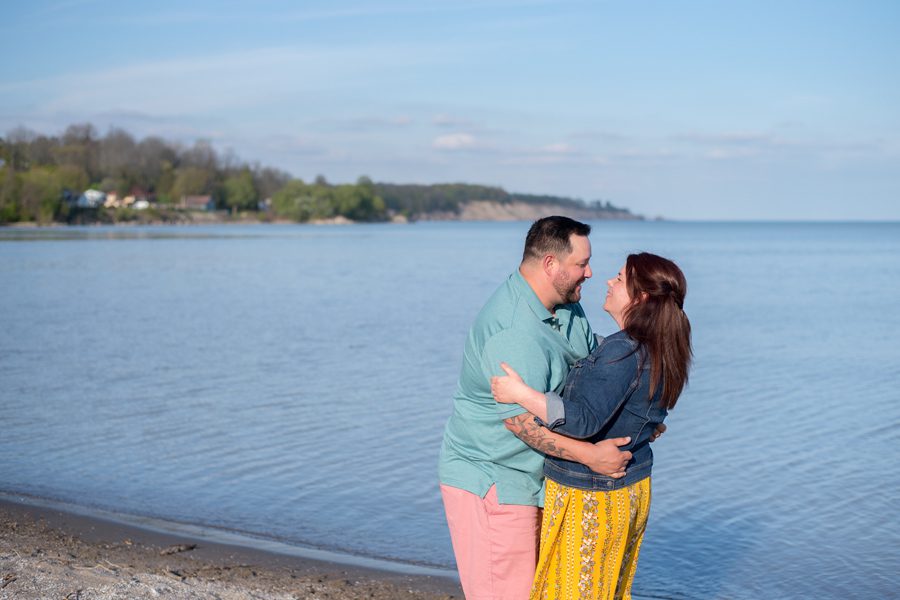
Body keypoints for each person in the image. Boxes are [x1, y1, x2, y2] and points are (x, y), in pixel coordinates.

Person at [438, 216, 638, 600]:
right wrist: (591, 457)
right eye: (582, 264)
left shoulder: (565, 305)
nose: (591, 273)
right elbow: (520, 424)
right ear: (550, 264)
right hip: (493, 478)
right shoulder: (514, 330)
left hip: (538, 478)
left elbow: (592, 362)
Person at [491, 252, 692, 600]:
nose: (609, 282)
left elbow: (581, 419)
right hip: (630, 490)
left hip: (592, 497)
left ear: (640, 297)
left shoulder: (623, 352)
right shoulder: (658, 347)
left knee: (573, 592)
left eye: (619, 278)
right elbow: (645, 408)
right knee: (607, 590)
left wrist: (521, 394)